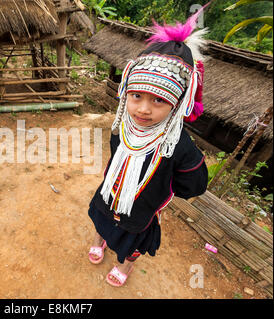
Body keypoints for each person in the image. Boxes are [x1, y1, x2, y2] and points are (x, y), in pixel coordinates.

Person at [87, 7, 210, 287]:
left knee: (132, 245)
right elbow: (115, 153)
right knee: (101, 221)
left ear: (177, 104)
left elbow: (195, 184)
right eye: (137, 96)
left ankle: (124, 268)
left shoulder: (178, 145)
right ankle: (100, 240)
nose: (143, 109)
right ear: (125, 92)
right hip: (109, 194)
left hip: (140, 211)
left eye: (158, 101)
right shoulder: (121, 127)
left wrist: (158, 189)